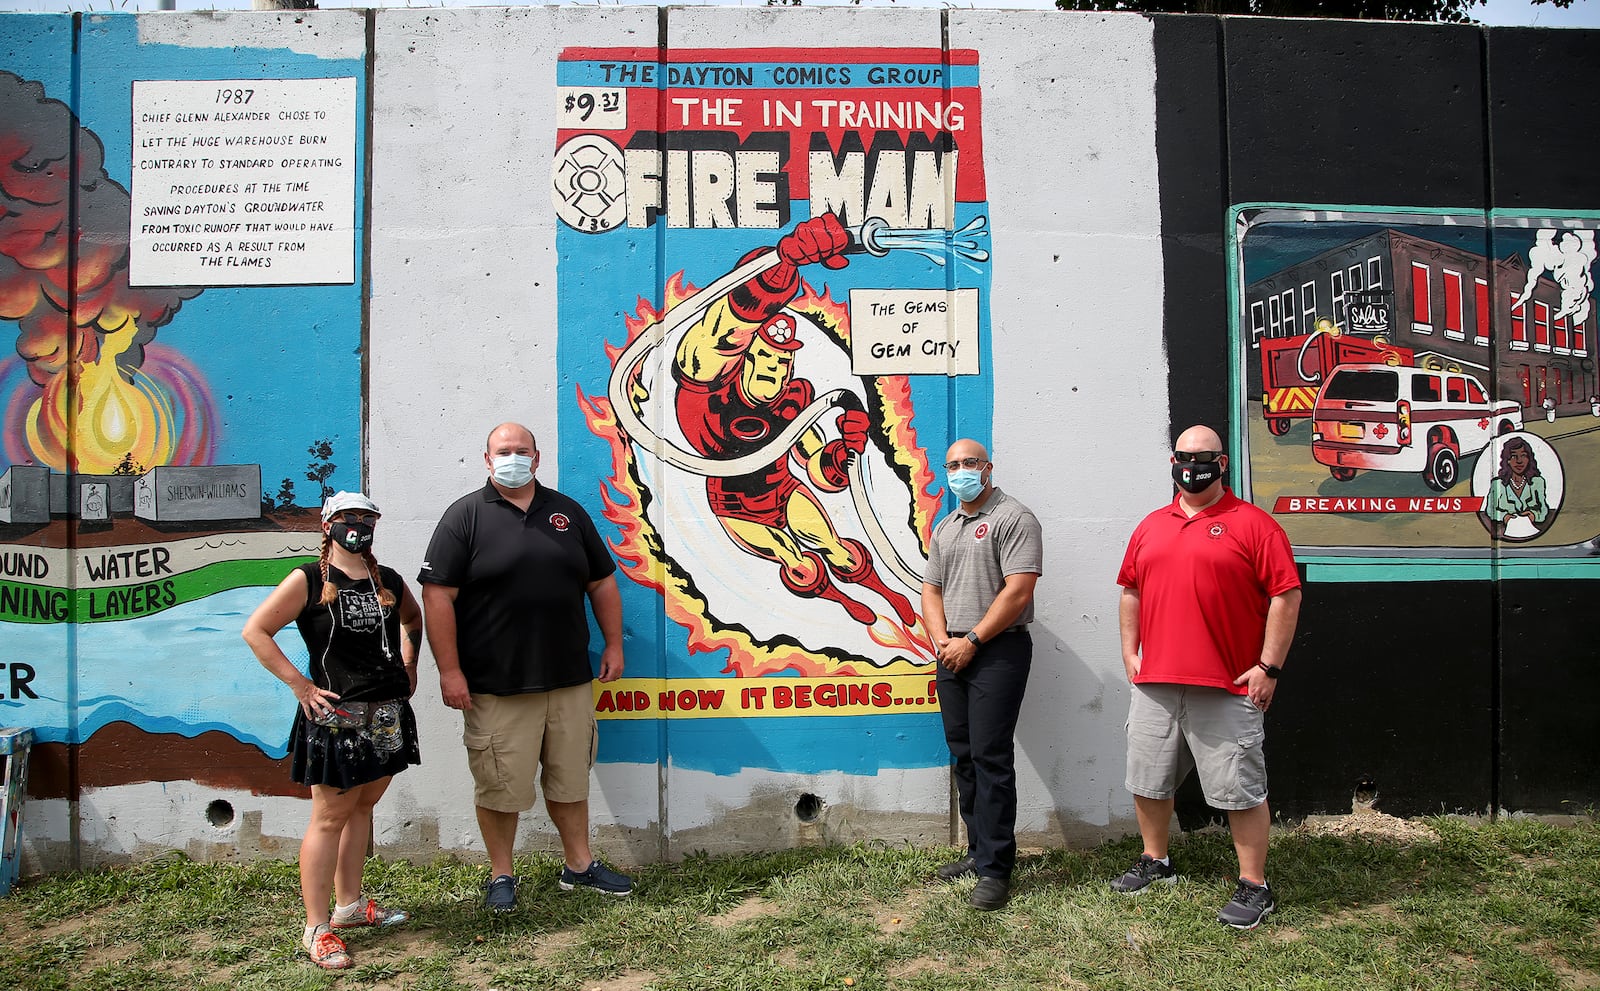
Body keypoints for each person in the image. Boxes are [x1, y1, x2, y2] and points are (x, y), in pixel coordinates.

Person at [419, 422, 631, 912]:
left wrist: (614, 644)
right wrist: (449, 671)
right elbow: (438, 598)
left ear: (536, 458)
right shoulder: (464, 517)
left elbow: (601, 583)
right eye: (502, 451)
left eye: (521, 450)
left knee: (570, 778)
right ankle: (501, 875)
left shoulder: (567, 513)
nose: (512, 457)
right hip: (497, 685)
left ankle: (579, 867)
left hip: (569, 680)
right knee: (499, 787)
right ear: (487, 459)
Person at [1112, 425, 1302, 931]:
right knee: (1148, 779)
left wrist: (1268, 667)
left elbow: (1286, 596)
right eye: (1181, 456)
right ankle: (1157, 861)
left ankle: (1254, 885)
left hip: (1227, 684)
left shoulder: (1256, 525)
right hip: (1156, 683)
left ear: (1223, 464)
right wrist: (1130, 651)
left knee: (1239, 788)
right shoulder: (1151, 525)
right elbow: (1130, 589)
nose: (1190, 465)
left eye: (1202, 457)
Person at [242, 491, 422, 970]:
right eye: (347, 518)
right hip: (337, 717)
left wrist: (410, 663)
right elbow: (256, 631)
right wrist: (301, 686)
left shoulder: (388, 579)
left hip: (387, 713)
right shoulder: (306, 579)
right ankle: (316, 928)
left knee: (363, 806)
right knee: (329, 816)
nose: (358, 525)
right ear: (328, 525)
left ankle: (348, 907)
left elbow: (413, 618)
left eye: (367, 517)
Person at [920, 438, 1042, 911]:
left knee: (991, 758)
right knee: (964, 755)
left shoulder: (1014, 517)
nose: (960, 471)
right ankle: (977, 851)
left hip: (996, 651)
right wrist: (944, 642)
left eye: (969, 463)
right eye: (952, 465)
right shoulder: (947, 526)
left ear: (987, 467)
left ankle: (996, 869)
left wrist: (972, 641)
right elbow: (931, 590)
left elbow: (1018, 591)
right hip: (951, 651)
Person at [1483, 435, 1548, 540]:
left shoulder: (1537, 482)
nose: (1519, 461)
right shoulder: (1498, 484)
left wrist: (1534, 515)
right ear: (1507, 460)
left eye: (1523, 456)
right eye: (1513, 456)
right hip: (1506, 533)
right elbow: (1490, 510)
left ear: (1529, 459)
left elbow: (1544, 509)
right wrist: (1504, 516)